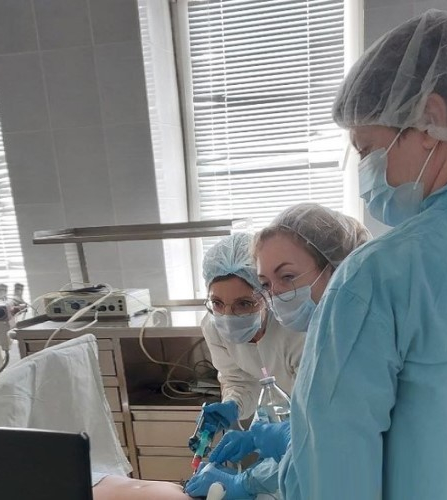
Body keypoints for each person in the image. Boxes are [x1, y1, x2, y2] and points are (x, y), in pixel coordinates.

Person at [271, 9, 447, 500]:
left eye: (367, 148)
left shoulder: (380, 274)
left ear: (431, 120)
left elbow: (335, 466)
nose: (366, 170)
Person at [185, 205, 370, 499]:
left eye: (244, 303)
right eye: (217, 303)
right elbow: (238, 378)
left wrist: (248, 481)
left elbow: (324, 435)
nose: (228, 316)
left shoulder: (303, 327)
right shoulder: (214, 326)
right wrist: (232, 405)